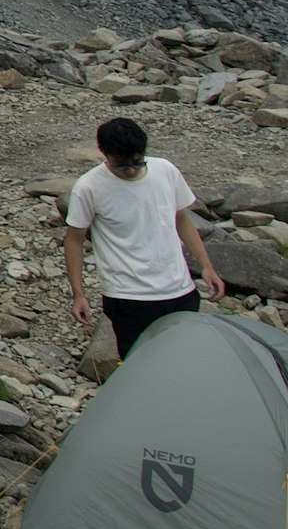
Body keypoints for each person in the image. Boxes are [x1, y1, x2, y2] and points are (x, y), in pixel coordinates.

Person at [62, 115, 225, 361]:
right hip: (128, 297)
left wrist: (206, 267)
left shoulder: (166, 171)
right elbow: (74, 240)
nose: (130, 171)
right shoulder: (88, 187)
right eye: (121, 166)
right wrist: (78, 294)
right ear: (104, 154)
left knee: (186, 360)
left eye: (137, 163)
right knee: (139, 364)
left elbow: (181, 219)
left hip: (180, 290)